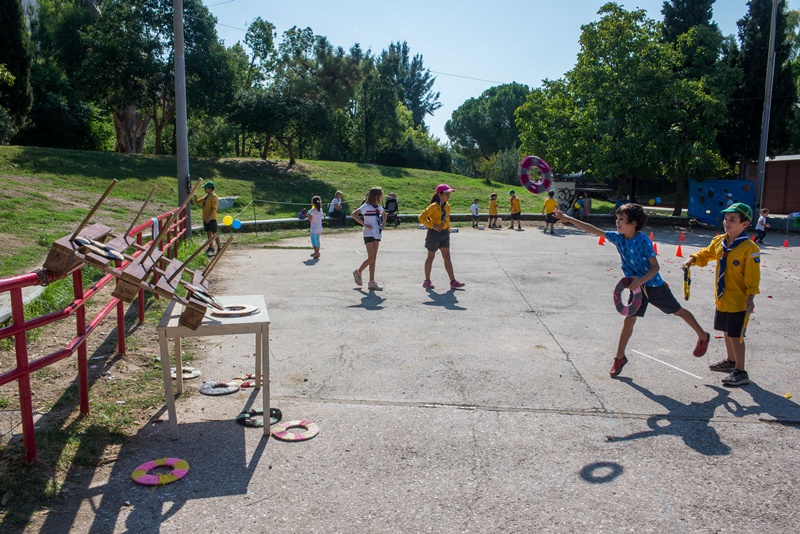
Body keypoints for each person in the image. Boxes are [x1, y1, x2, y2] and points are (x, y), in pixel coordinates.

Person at [554, 203, 711, 378]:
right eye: (617, 218)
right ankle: (619, 358)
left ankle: (703, 336)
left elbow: (655, 267)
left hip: (654, 286)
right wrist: (568, 218)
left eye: (621, 219)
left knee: (679, 312)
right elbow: (593, 230)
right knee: (628, 321)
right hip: (636, 289)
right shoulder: (618, 238)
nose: (617, 222)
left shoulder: (643, 241)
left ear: (633, 223)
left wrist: (640, 280)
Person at [682, 203, 761, 387]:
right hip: (722, 299)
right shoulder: (720, 241)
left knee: (736, 336)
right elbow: (707, 253)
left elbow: (752, 276)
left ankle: (741, 372)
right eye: (726, 218)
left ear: (745, 224)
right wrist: (692, 259)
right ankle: (731, 362)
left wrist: (751, 297)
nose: (727, 222)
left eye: (732, 219)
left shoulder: (749, 249)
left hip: (739, 301)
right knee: (726, 332)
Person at [419, 184, 465, 289]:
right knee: (431, 257)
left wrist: (447, 230)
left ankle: (453, 281)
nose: (448, 195)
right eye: (446, 193)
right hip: (434, 234)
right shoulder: (434, 206)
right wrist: (432, 226)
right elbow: (421, 217)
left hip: (444, 234)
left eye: (449, 193)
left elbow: (447, 219)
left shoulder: (447, 206)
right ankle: (427, 280)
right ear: (439, 194)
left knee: (447, 257)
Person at [351, 187, 387, 291]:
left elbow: (384, 215)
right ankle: (358, 271)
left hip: (377, 233)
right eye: (381, 196)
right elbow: (354, 214)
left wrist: (383, 224)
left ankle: (371, 282)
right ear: (376, 196)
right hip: (368, 233)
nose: (382, 198)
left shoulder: (379, 207)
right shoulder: (366, 206)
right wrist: (364, 224)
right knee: (371, 258)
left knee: (374, 259)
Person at [194, 180, 221, 255]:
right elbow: (197, 202)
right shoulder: (206, 197)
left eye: (206, 188)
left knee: (214, 233)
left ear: (210, 188)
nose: (204, 189)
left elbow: (213, 208)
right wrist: (194, 195)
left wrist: (209, 217)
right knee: (208, 233)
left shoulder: (214, 197)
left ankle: (219, 247)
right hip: (205, 218)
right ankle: (211, 247)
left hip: (211, 218)